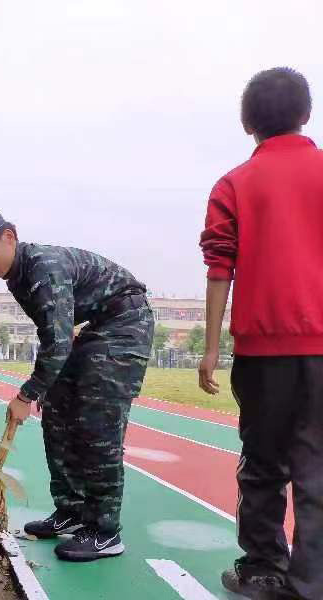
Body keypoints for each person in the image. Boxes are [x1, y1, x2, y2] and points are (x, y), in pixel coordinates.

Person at [0, 206, 153, 562]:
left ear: (8, 237)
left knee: (97, 424)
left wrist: (26, 394)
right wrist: (47, 386)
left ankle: (105, 531)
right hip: (93, 329)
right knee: (57, 415)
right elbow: (54, 333)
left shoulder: (43, 267)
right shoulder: (17, 278)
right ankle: (71, 511)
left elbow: (59, 342)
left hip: (125, 324)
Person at [199, 67, 323, 600]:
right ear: (307, 113)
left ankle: (263, 570)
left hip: (263, 349)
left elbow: (219, 266)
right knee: (317, 467)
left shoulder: (233, 184)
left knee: (263, 464)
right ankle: (313, 582)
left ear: (247, 122)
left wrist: (210, 349)